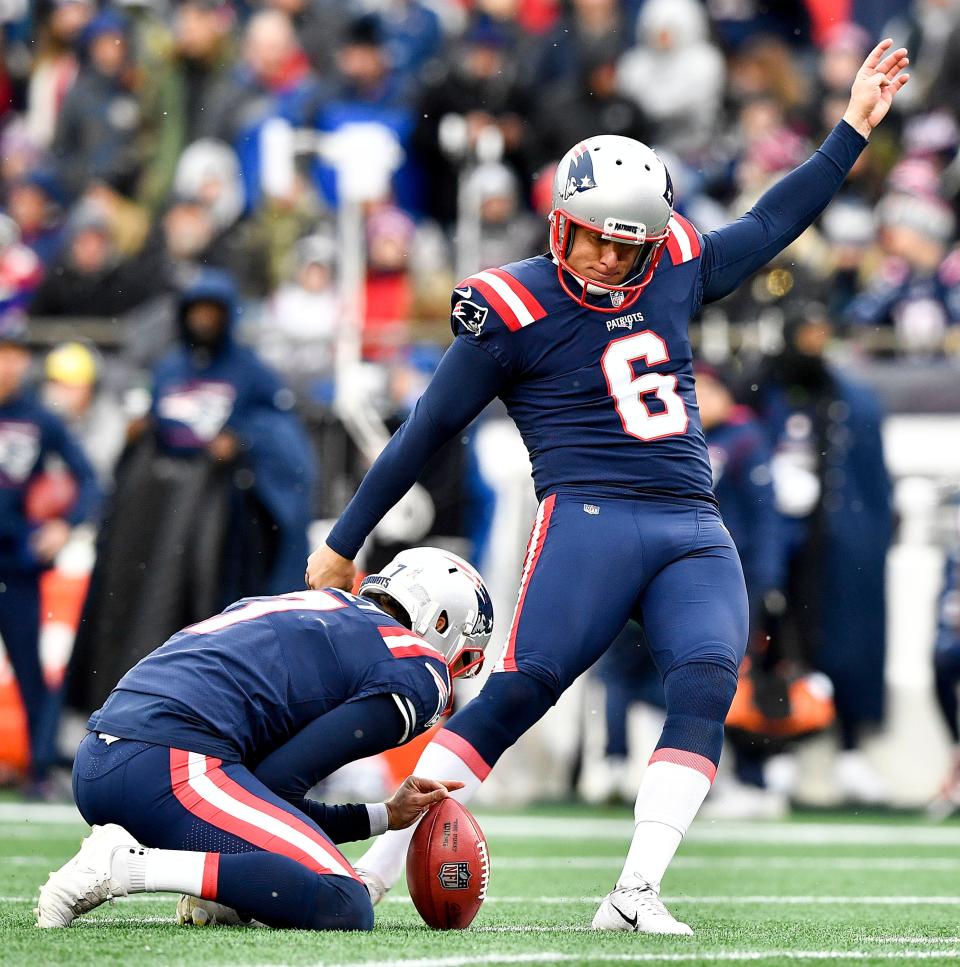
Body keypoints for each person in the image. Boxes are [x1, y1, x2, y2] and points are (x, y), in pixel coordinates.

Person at [306, 40, 909, 934]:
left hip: (690, 522)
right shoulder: (508, 307)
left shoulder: (674, 265)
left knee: (707, 679)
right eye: (593, 236)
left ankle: (634, 892)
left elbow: (773, 220)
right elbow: (425, 431)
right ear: (562, 222)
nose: (608, 258)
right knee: (516, 694)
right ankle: (374, 872)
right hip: (586, 516)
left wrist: (851, 130)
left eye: (628, 244)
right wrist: (344, 540)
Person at [37, 547, 494, 931]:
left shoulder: (311, 607)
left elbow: (262, 786)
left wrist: (384, 815)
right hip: (172, 765)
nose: (452, 670)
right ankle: (126, 866)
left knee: (286, 870)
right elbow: (279, 784)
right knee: (343, 901)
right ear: (440, 624)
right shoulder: (420, 668)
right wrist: (372, 819)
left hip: (99, 760)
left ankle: (218, 890)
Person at [0, 313, 99, 795]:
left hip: (16, 561)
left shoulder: (38, 419)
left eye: (14, 354)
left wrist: (65, 523)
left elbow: (89, 480)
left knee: (29, 670)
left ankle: (39, 769)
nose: (7, 364)